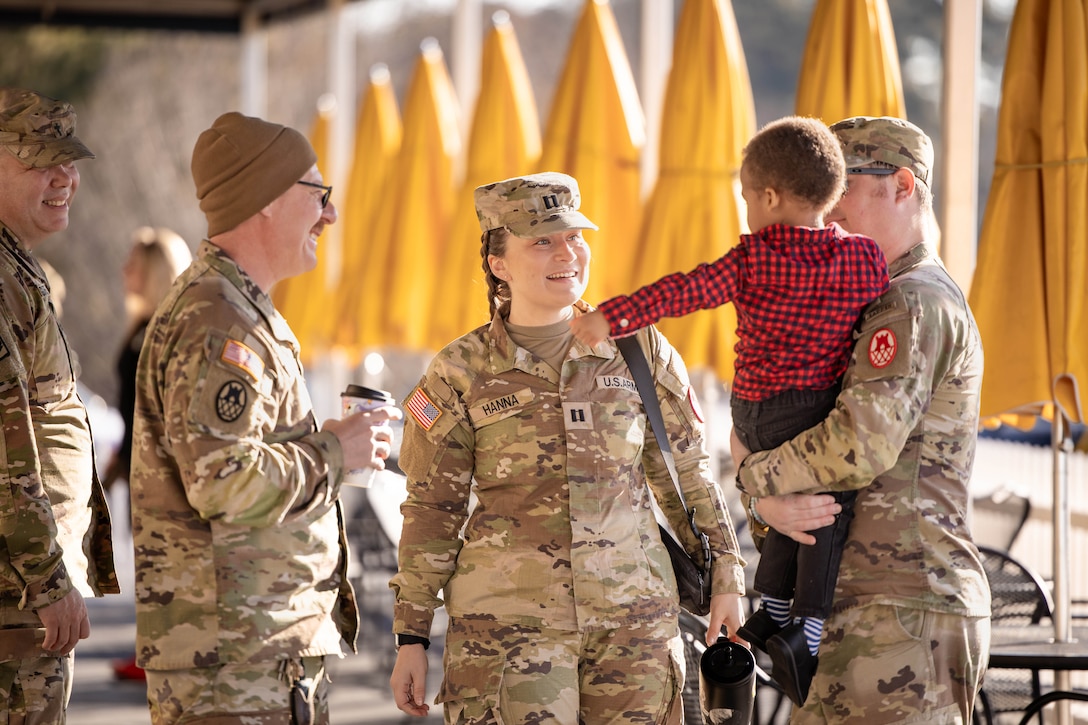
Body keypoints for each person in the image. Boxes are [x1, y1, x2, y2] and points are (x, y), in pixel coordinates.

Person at [389, 171, 747, 723]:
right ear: (498, 263)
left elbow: (687, 473)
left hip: (636, 626)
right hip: (510, 635)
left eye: (575, 236)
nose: (568, 252)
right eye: (542, 241)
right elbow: (433, 509)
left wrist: (726, 578)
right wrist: (411, 634)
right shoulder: (459, 371)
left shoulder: (638, 346)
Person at [569, 116, 890, 705]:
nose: (747, 209)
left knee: (789, 517)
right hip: (821, 410)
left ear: (768, 197)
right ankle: (806, 628)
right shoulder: (867, 260)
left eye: (746, 197)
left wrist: (608, 317)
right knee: (826, 512)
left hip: (758, 416)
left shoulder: (753, 258)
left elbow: (678, 291)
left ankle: (772, 613)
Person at [129, 111, 402, 725]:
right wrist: (336, 455)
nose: (329, 214)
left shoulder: (231, 308)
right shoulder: (219, 319)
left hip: (248, 654)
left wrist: (331, 444)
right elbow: (222, 480)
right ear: (266, 201)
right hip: (238, 663)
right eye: (317, 193)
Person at [735, 116, 991, 723]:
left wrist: (752, 475)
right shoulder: (867, 294)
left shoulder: (912, 300)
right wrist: (765, 501)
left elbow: (859, 445)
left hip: (900, 603)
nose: (826, 209)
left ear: (902, 185)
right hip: (862, 602)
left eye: (843, 186)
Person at [0, 87, 119, 723]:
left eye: (69, 160)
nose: (64, 176)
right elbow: (5, 441)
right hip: (15, 607)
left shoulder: (17, 269)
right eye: (42, 159)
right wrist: (47, 581)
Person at [102, 226, 192, 683]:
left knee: (162, 559)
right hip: (138, 463)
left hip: (159, 470)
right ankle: (152, 649)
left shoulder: (164, 332)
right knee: (148, 558)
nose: (124, 271)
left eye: (133, 264)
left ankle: (161, 653)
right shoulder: (143, 327)